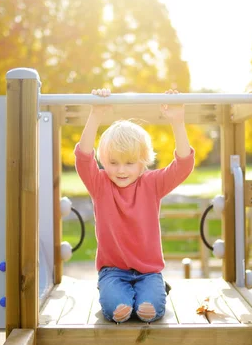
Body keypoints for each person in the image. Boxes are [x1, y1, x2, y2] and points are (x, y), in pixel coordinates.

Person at [74, 87, 195, 323]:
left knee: (149, 309)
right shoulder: (99, 184)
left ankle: (152, 291)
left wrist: (178, 122)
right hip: (112, 272)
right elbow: (83, 157)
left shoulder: (152, 184)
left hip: (149, 272)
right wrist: (95, 114)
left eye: (129, 163)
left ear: (142, 163)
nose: (120, 170)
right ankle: (121, 296)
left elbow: (183, 166)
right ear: (103, 161)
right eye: (113, 162)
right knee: (117, 308)